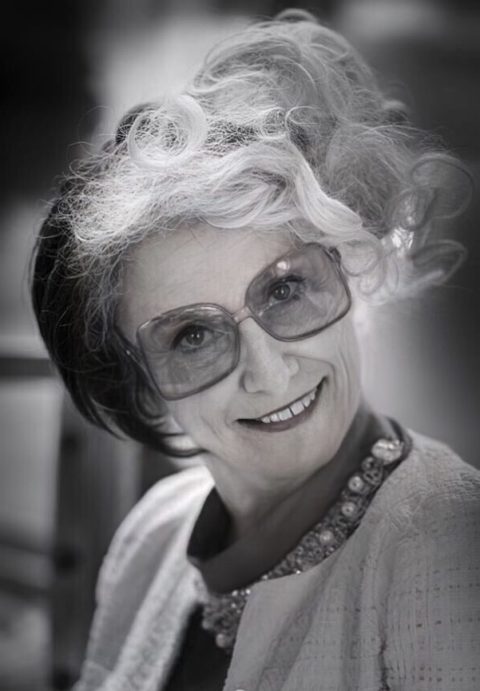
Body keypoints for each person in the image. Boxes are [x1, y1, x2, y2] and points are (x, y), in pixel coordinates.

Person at [31, 10, 480, 691]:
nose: (269, 372)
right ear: (139, 380)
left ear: (350, 265)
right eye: (193, 335)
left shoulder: (450, 547)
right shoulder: (153, 535)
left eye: (286, 289)